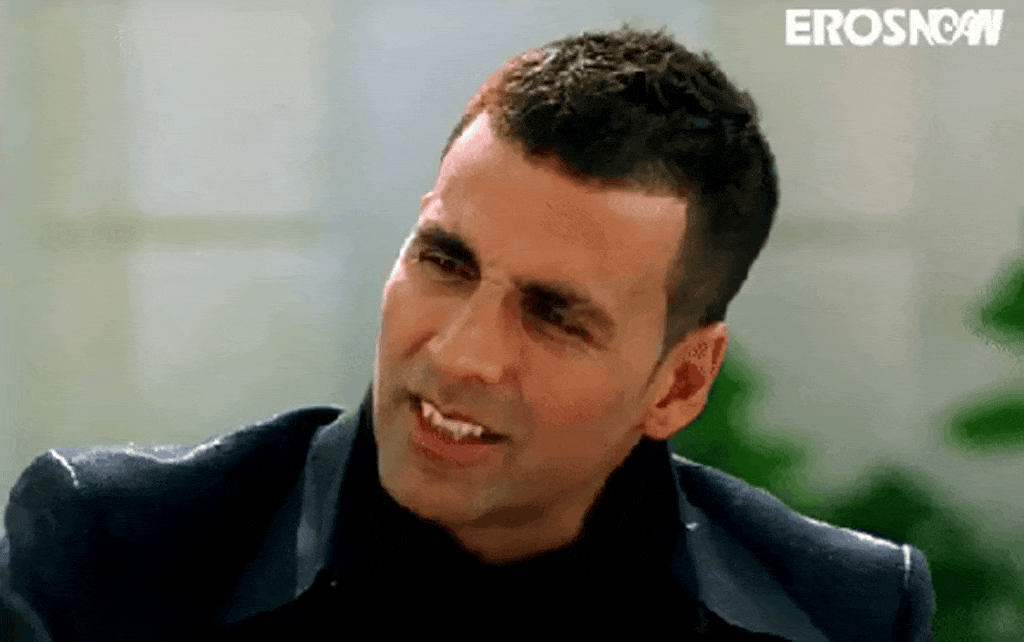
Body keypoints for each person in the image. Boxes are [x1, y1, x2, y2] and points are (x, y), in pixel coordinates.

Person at [1, 27, 935, 640]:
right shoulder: (115, 551)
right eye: (445, 261)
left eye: (555, 314)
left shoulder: (840, 609)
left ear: (680, 383)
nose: (458, 354)